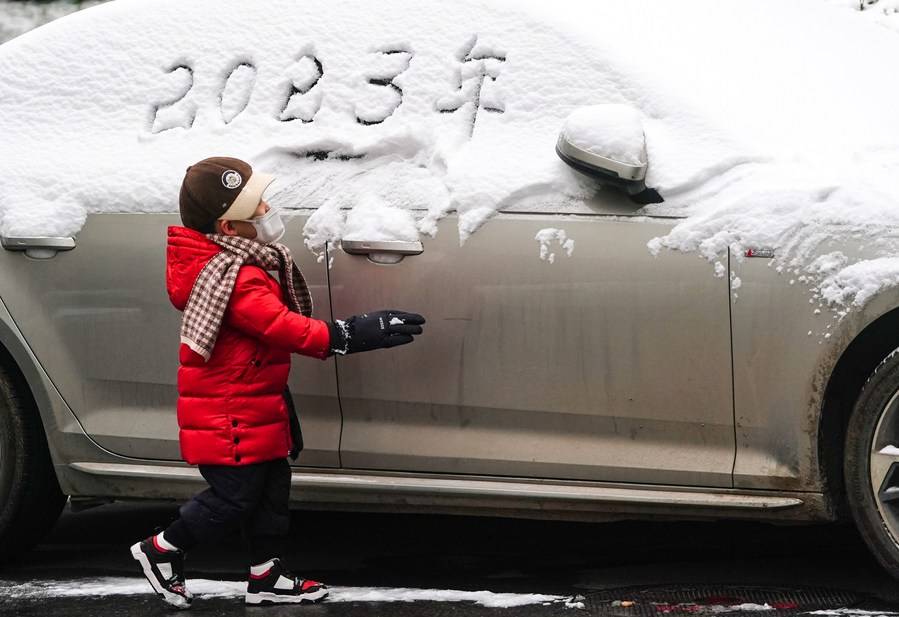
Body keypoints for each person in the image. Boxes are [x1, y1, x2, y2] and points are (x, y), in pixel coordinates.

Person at [129, 156, 425, 609]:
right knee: (233, 499)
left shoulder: (242, 263)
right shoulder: (236, 278)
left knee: (272, 489)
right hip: (228, 412)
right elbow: (282, 327)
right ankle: (161, 550)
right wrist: (348, 334)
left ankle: (266, 574)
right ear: (229, 228)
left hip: (253, 400)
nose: (268, 209)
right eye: (257, 207)